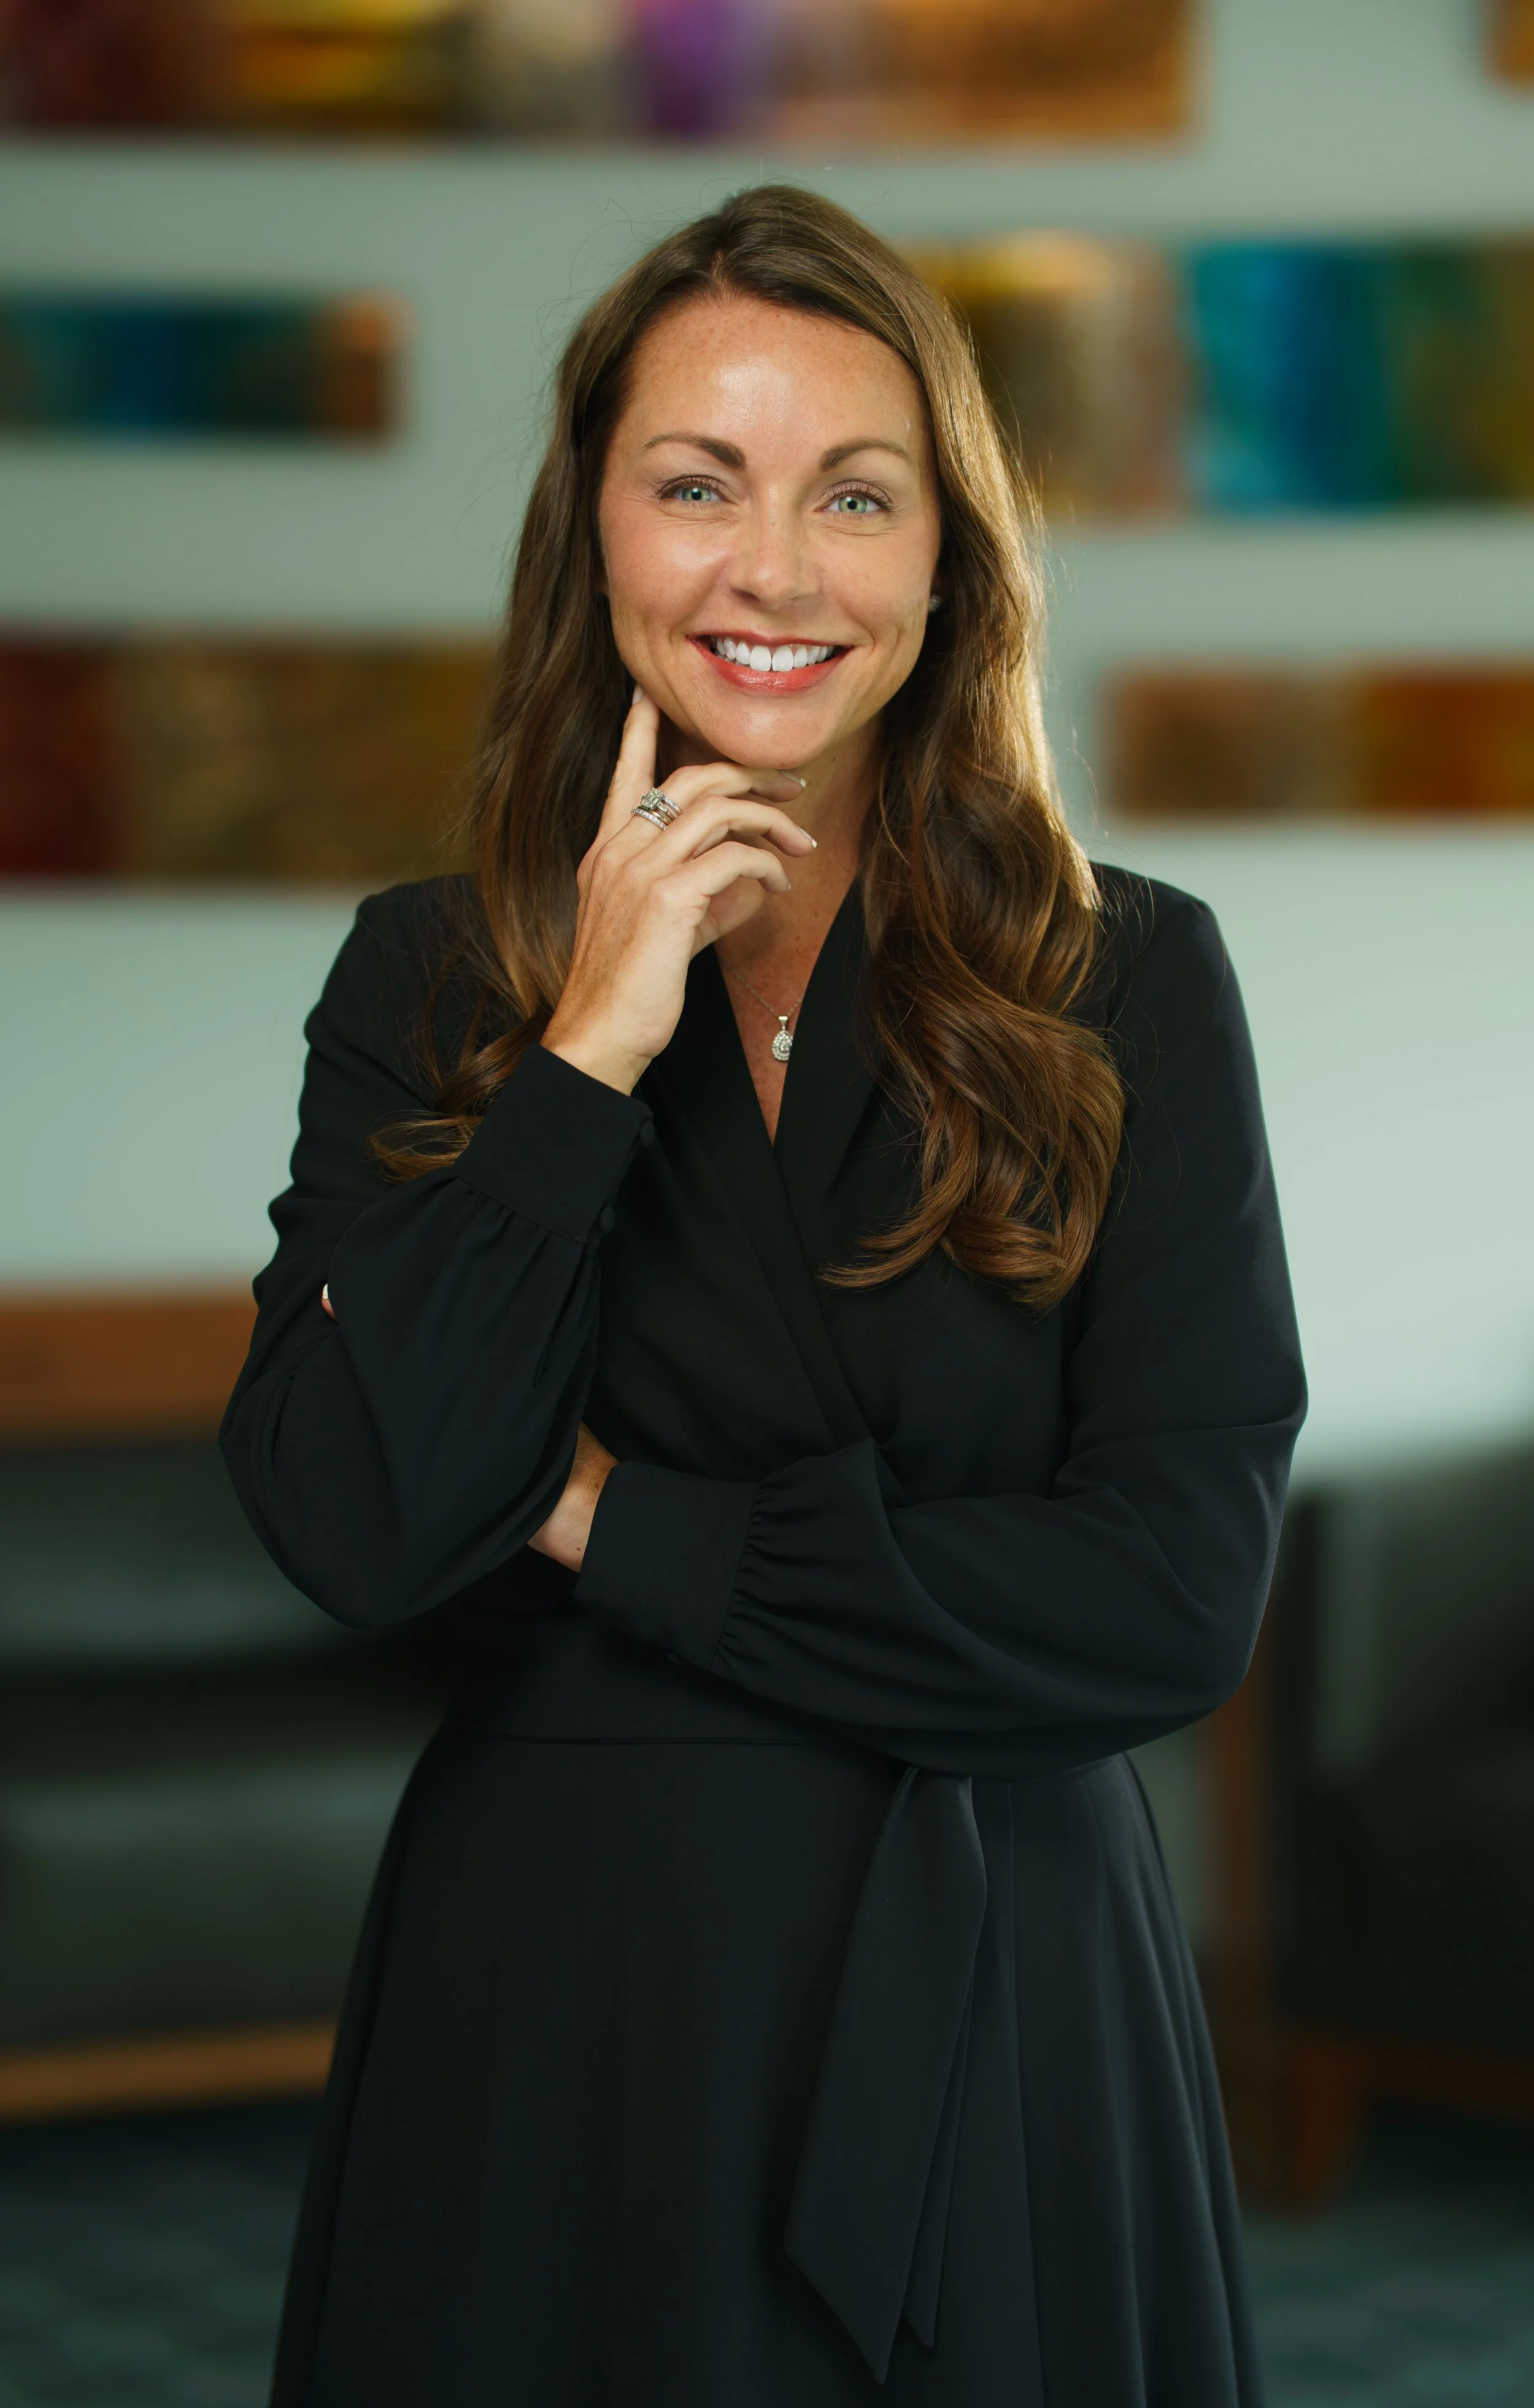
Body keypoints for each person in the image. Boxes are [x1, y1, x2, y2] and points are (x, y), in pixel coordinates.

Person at [223, 182, 1306, 2407]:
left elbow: (1174, 1597)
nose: (775, 570)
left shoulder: (1129, 977)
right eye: (694, 482)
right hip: (565, 1986)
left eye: (855, 493)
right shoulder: (433, 980)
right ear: (593, 531)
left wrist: (621, 1520)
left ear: (946, 557)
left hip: (1010, 1962)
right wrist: (586, 1062)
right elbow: (352, 1518)